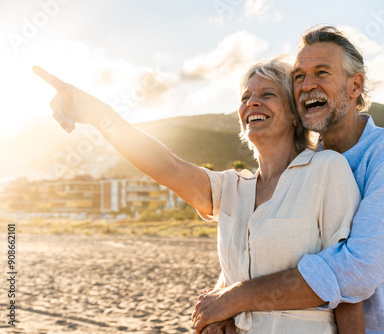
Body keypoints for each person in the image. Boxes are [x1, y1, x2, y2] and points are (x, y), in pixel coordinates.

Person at [33, 56, 365, 333]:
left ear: (295, 113)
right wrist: (98, 114)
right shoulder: (232, 188)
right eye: (245, 97)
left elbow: (350, 288)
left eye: (267, 94)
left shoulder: (327, 170)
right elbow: (166, 166)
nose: (252, 102)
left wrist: (232, 298)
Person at [192, 25, 384, 334]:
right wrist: (225, 306)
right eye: (298, 76)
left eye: (322, 73)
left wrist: (237, 298)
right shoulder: (304, 166)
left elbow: (354, 270)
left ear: (355, 85)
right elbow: (265, 250)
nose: (307, 85)